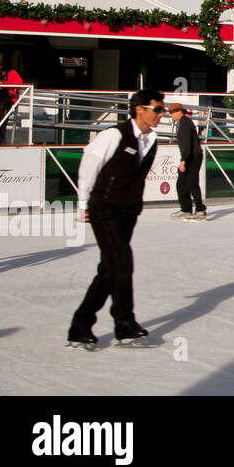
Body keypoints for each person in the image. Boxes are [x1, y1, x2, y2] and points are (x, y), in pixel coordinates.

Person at [67, 89, 166, 348]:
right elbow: (89, 167)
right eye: (157, 109)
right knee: (122, 262)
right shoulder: (113, 134)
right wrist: (83, 203)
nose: (161, 114)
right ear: (139, 109)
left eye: (162, 109)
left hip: (128, 211)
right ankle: (124, 321)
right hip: (103, 207)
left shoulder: (152, 139)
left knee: (109, 269)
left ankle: (80, 324)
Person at [167, 103, 206, 222]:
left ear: (180, 111)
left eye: (173, 112)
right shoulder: (184, 122)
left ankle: (200, 209)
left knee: (192, 183)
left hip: (192, 157)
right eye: (170, 112)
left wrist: (183, 161)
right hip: (191, 156)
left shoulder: (185, 124)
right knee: (182, 183)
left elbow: (186, 146)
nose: (171, 115)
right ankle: (186, 209)